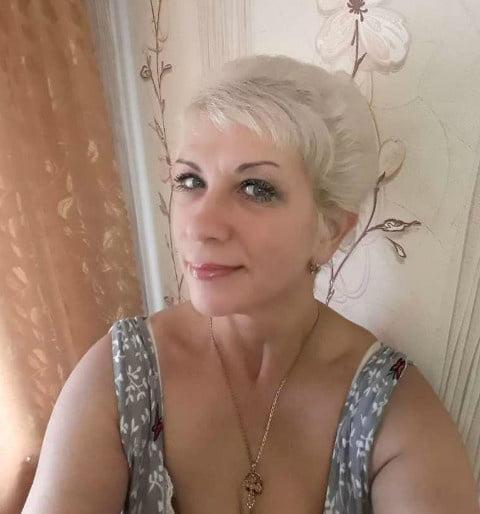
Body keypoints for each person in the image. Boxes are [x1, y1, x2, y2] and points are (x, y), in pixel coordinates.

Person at [22, 54, 479, 514]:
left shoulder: (389, 410)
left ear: (329, 231)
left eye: (256, 188)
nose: (200, 225)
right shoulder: (121, 377)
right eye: (190, 180)